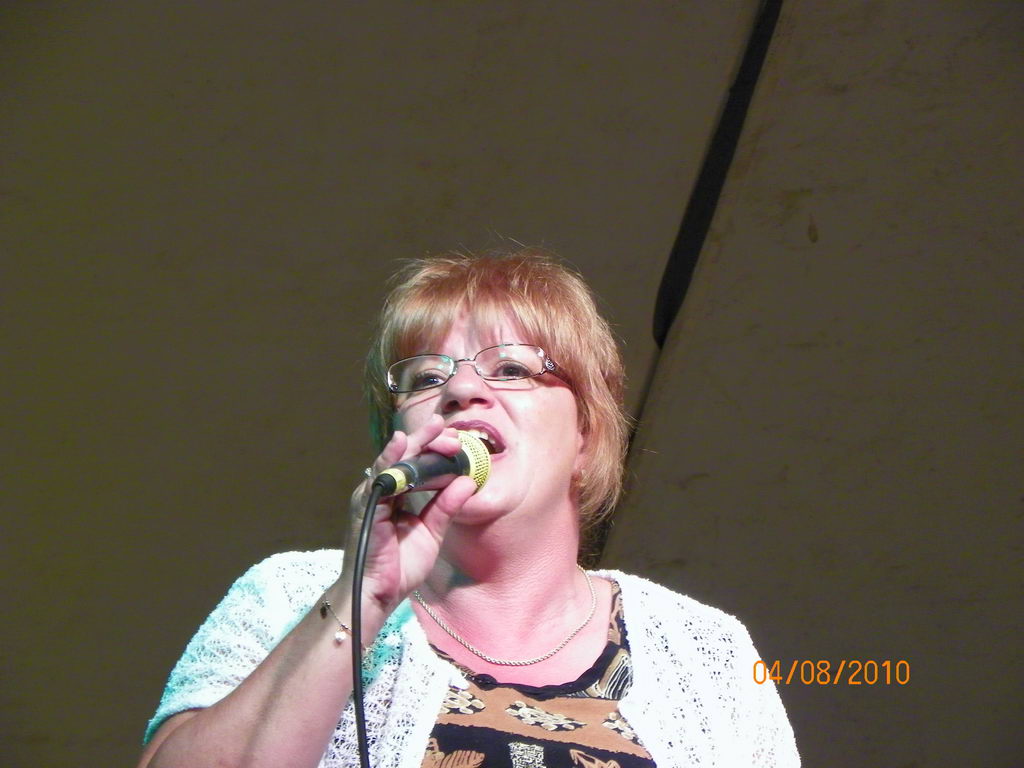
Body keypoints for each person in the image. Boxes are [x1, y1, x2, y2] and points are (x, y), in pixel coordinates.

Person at [137, 248, 799, 768]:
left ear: (586, 433)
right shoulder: (292, 596)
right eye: (426, 378)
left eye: (511, 369)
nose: (460, 389)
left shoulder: (704, 649)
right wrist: (360, 599)